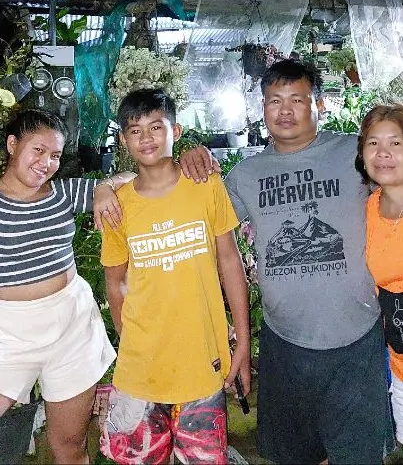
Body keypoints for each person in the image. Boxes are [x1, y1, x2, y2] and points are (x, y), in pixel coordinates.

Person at [179, 58, 393, 465]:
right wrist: (174, 163)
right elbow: (198, 221)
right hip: (284, 340)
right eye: (274, 100)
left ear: (320, 105)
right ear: (262, 108)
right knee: (294, 456)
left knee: (359, 456)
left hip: (358, 338)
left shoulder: (354, 152)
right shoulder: (247, 174)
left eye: (298, 99)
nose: (285, 110)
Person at [99, 87, 251, 465]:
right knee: (142, 457)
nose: (146, 137)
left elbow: (230, 263)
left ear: (177, 131)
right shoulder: (117, 205)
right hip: (141, 367)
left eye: (156, 127)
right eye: (135, 130)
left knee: (200, 457)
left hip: (202, 359)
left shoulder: (205, 186)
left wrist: (242, 342)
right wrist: (129, 342)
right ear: (122, 140)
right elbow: (115, 283)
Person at [0, 108, 135, 465]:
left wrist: (105, 186)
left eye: (55, 155)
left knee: (70, 447)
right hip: (8, 331)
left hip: (71, 326)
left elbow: (134, 180)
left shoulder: (64, 194)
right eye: (38, 150)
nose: (46, 163)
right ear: (13, 145)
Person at [356, 104, 403, 449]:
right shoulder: (369, 208)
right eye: (373, 143)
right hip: (399, 369)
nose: (383, 153)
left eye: (396, 143)